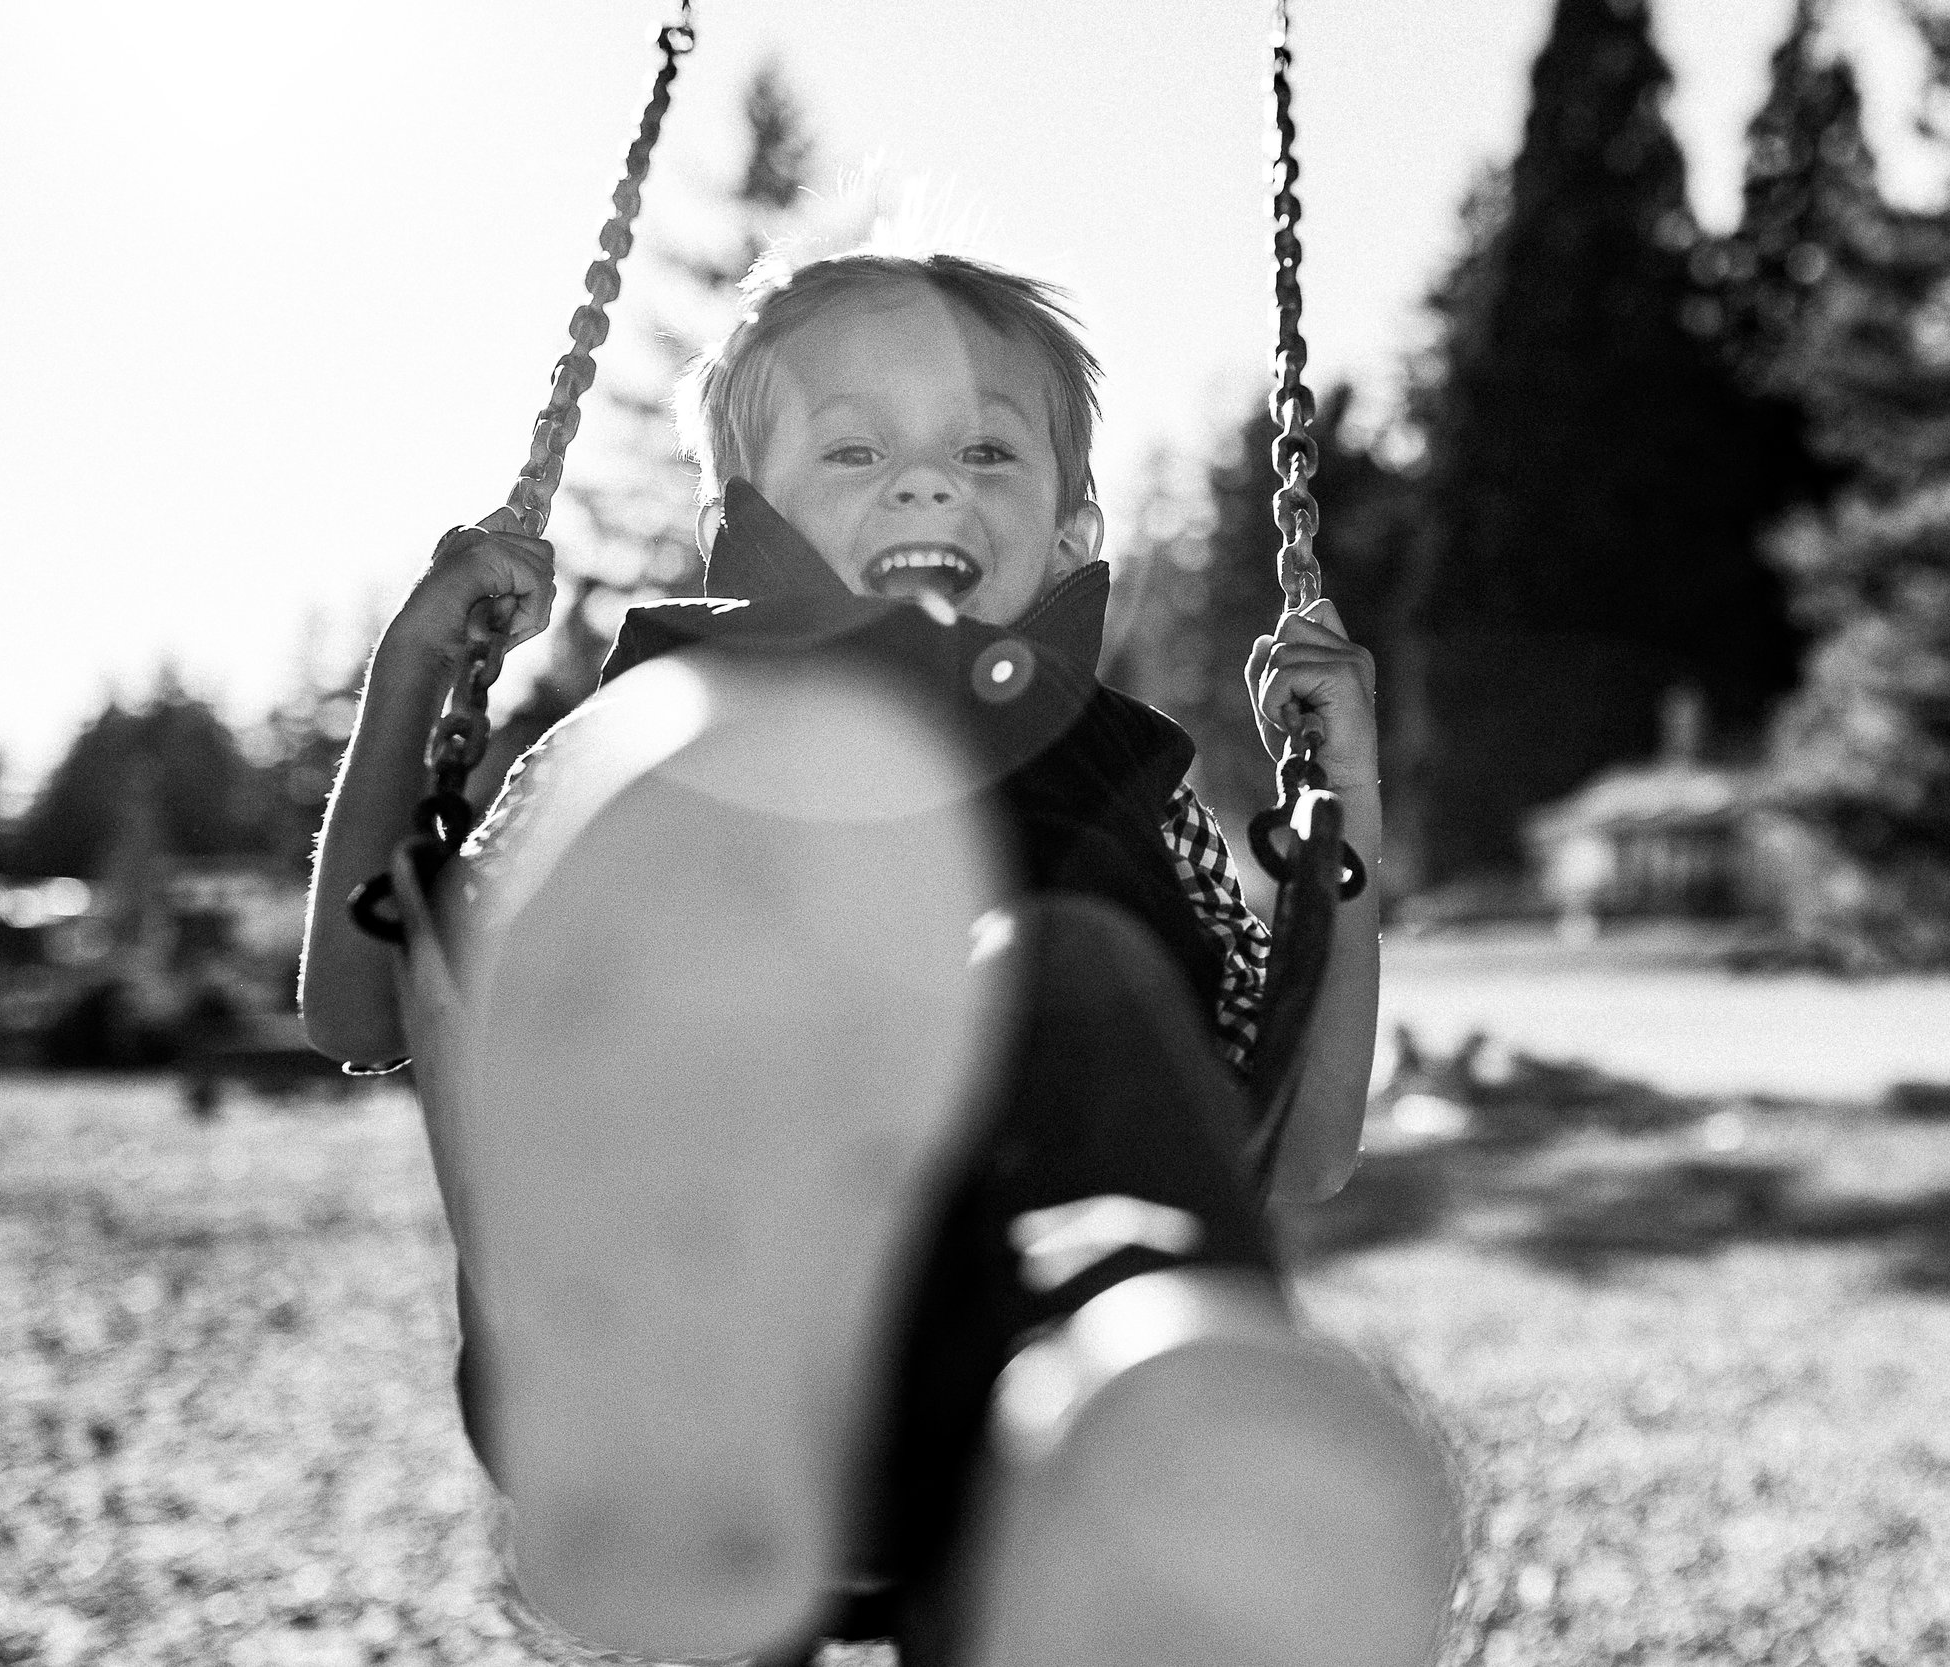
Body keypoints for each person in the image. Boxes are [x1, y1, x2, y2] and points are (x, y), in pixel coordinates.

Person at [300, 252, 1459, 1667]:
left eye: (986, 447)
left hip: (1029, 1364)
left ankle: (1148, 1422)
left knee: (1080, 976)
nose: (928, 484)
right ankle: (698, 1400)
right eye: (855, 447)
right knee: (780, 957)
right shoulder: (652, 746)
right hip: (744, 1338)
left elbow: (1301, 1144)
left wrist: (1347, 801)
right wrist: (419, 674)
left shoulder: (1126, 781)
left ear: (1075, 529)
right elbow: (371, 1002)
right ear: (743, 527)